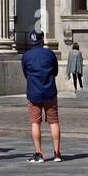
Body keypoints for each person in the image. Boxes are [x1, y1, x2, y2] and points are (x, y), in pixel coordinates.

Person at [21, 31, 61, 162]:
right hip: (50, 91)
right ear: (42, 40)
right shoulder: (50, 53)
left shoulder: (26, 55)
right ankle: (57, 154)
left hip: (34, 92)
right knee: (54, 122)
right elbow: (55, 71)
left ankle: (39, 154)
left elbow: (25, 73)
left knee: (35, 123)